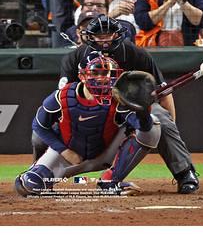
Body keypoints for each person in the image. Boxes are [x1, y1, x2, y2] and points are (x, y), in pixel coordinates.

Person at [31, 15, 200, 194]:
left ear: (117, 34)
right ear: (89, 36)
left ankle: (184, 172)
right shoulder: (74, 58)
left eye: (108, 34)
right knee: (39, 135)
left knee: (161, 120)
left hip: (127, 108)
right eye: (99, 35)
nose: (104, 39)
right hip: (87, 110)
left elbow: (164, 93)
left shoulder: (136, 54)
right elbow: (64, 98)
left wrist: (169, 127)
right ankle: (41, 173)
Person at [16, 53, 161, 197]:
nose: (102, 77)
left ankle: (110, 181)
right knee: (28, 184)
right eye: (96, 72)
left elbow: (144, 129)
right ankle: (50, 179)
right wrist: (64, 150)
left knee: (153, 125)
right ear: (82, 76)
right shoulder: (61, 97)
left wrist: (142, 110)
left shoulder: (119, 98)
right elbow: (39, 126)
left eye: (106, 73)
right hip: (68, 154)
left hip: (106, 153)